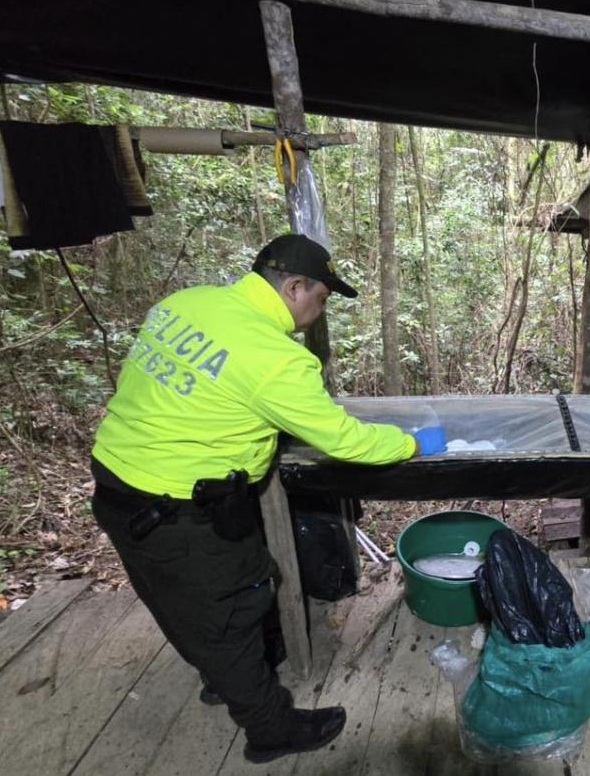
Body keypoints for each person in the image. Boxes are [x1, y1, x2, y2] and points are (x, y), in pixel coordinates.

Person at [90, 233, 447, 764]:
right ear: (294, 286)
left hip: (117, 483)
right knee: (234, 607)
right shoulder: (277, 358)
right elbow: (346, 441)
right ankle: (269, 728)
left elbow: (194, 390)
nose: (320, 311)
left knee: (175, 600)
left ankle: (223, 678)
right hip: (185, 511)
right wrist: (413, 443)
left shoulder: (184, 304)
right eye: (321, 298)